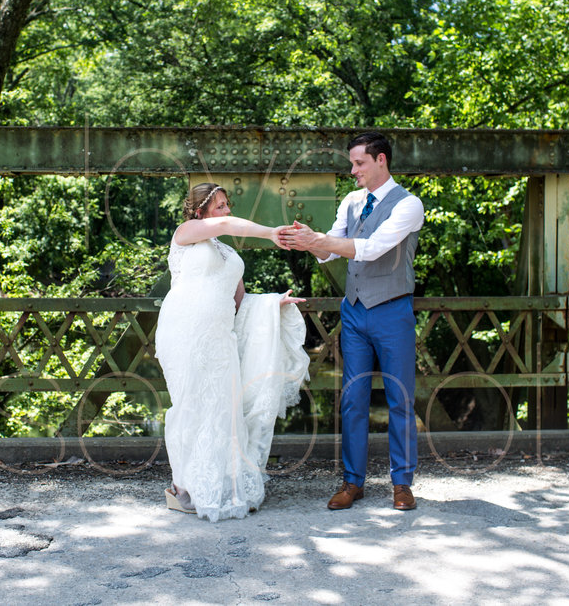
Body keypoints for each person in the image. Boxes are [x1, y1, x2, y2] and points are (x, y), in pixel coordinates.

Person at [278, 132, 424, 511]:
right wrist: (306, 241)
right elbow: (331, 251)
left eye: (359, 163)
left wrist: (320, 241)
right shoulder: (351, 200)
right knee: (353, 401)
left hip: (393, 310)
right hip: (355, 311)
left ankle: (402, 484)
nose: (353, 170)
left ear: (381, 161)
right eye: (352, 163)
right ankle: (352, 483)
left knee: (400, 400)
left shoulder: (409, 204)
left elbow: (372, 248)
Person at [155, 182, 310, 521]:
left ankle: (218, 486)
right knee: (191, 404)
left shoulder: (228, 254)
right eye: (220, 205)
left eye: (227, 205)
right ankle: (182, 488)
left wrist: (274, 305)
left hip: (219, 337)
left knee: (223, 406)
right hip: (184, 331)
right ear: (201, 211)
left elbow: (240, 302)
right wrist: (271, 232)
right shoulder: (187, 232)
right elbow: (225, 226)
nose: (226, 212)